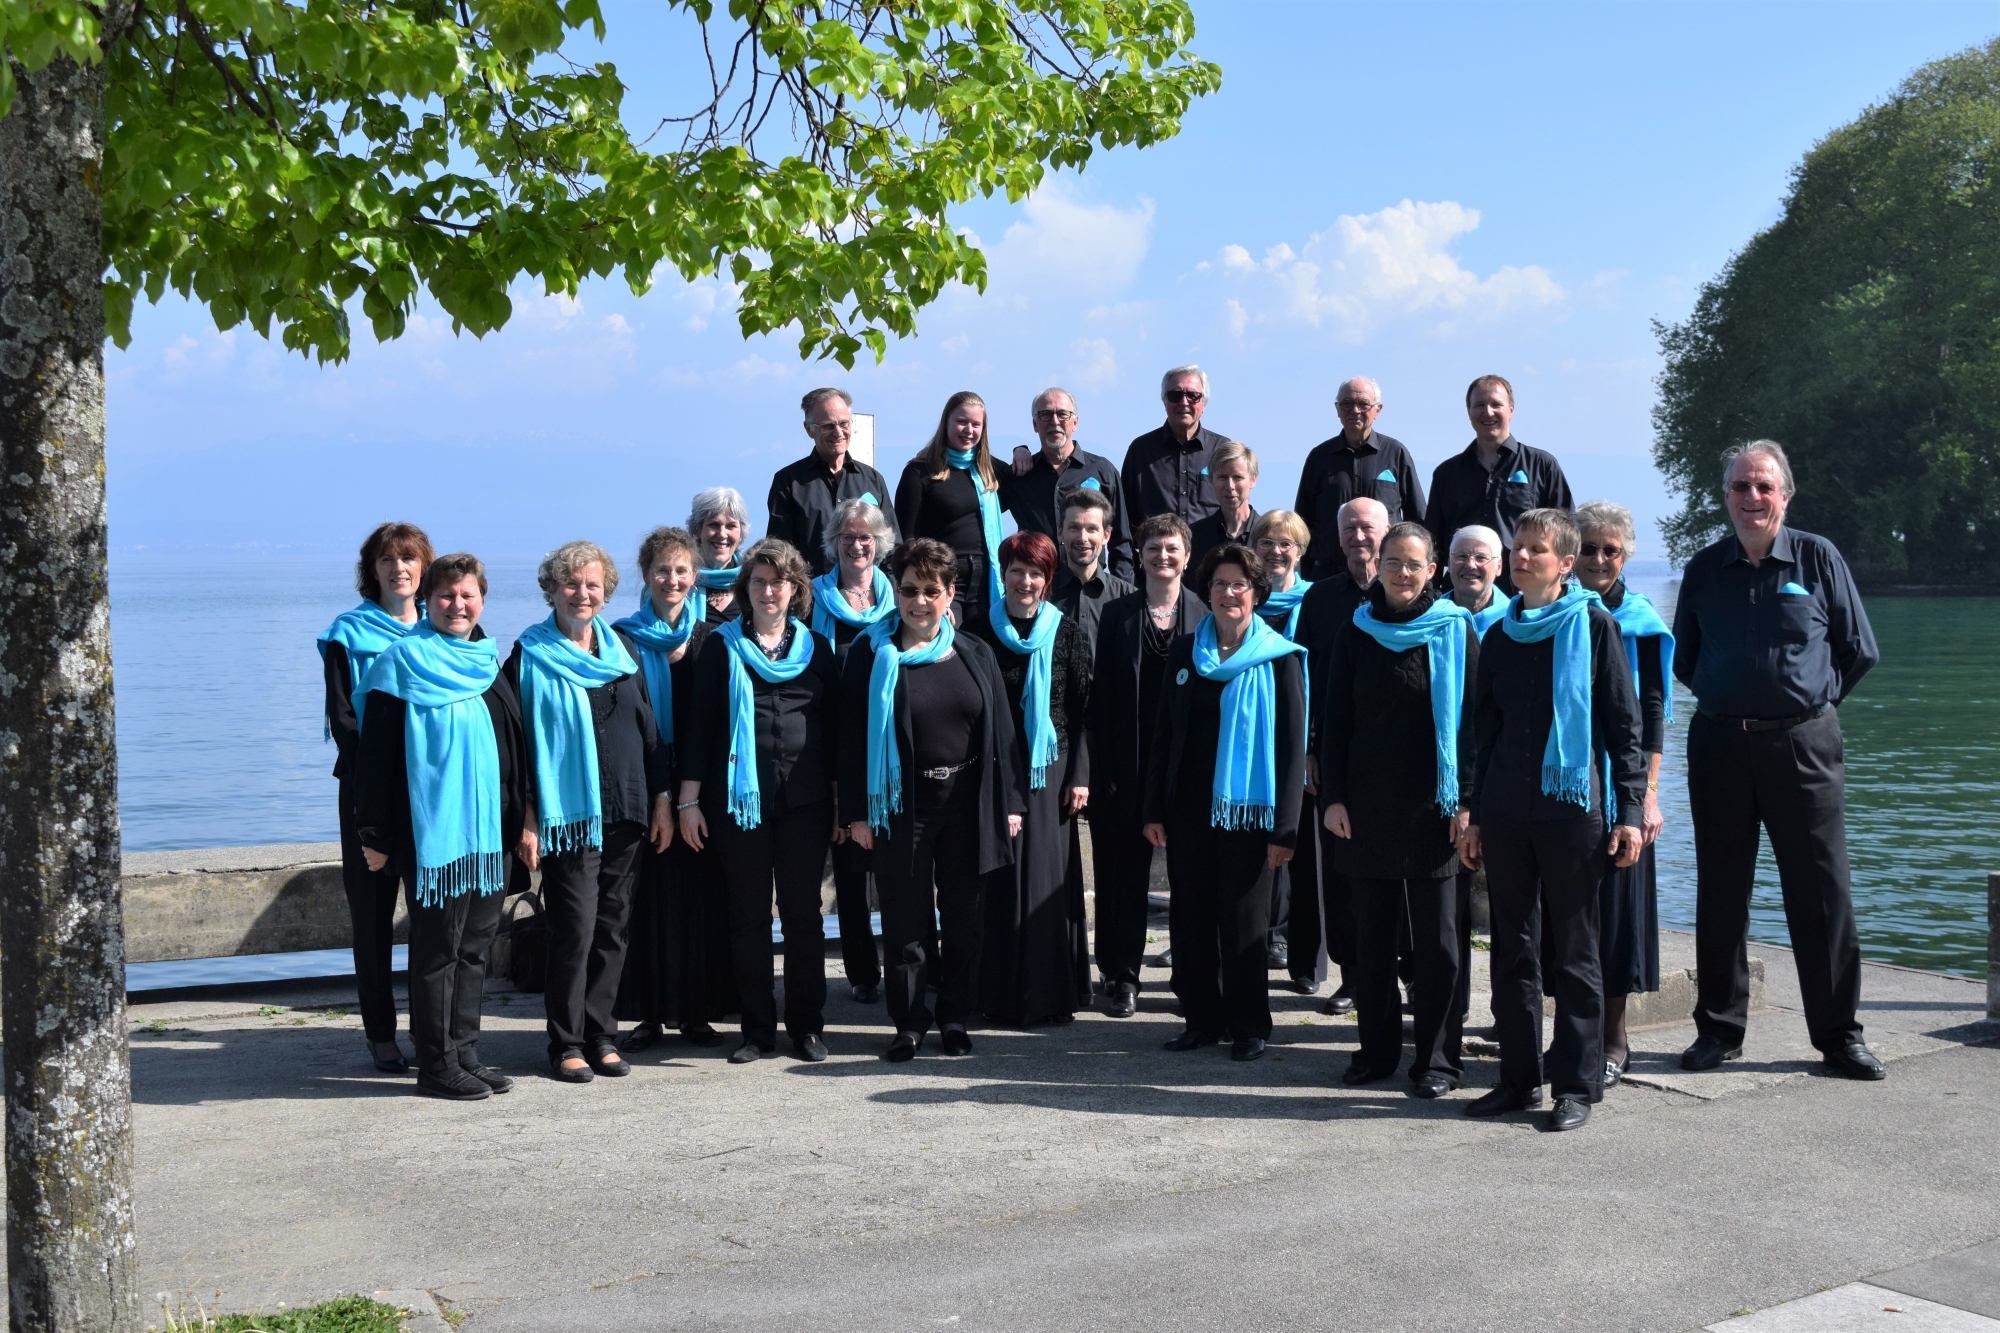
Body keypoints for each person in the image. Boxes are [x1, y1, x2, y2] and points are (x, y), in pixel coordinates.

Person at [1671, 440, 1883, 1080]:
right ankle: (1719, 1032)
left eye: (1764, 487)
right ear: (1727, 497)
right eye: (1741, 487)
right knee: (1721, 892)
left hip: (1804, 747)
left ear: (1784, 495)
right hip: (1720, 745)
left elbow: (1858, 649)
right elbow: (1685, 659)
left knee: (1822, 894)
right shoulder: (1705, 567)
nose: (1752, 498)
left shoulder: (1818, 558)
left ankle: (1839, 1037)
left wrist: (1810, 705)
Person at [1461, 509, 1645, 1132]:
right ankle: (1517, 1080)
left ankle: (1576, 1084)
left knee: (1575, 949)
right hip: (1509, 810)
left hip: (1574, 813)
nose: (1522, 558)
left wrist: (1629, 812)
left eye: (1537, 549)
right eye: (1518, 547)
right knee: (1511, 947)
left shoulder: (1594, 626)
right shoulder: (1500, 633)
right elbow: (1485, 733)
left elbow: (1625, 729)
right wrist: (1478, 815)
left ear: (1566, 564)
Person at [841, 539, 1025, 1059]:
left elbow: (1004, 734)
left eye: (931, 591)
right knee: (905, 922)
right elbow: (851, 738)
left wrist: (1010, 803)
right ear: (895, 593)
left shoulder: (975, 652)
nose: (919, 602)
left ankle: (953, 1018)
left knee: (965, 921)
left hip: (968, 806)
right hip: (901, 810)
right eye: (909, 591)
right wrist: (856, 813)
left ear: (949, 595)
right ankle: (909, 1021)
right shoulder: (870, 655)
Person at [355, 552, 527, 1101]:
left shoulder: (487, 661)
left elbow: (514, 748)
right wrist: (375, 839)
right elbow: (374, 761)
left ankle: (465, 1052)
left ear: (482, 600)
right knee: (437, 952)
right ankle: (435, 1064)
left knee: (476, 946)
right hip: (435, 840)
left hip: (489, 836)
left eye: (468, 595)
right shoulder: (400, 665)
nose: (458, 605)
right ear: (426, 601)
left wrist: (524, 822)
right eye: (446, 596)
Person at [1320, 522, 1477, 1097]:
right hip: (1365, 810)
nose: (1403, 573)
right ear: (1377, 565)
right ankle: (1377, 1051)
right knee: (1373, 943)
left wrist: (1465, 802)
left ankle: (1437, 1060)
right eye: (1394, 562)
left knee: (1437, 945)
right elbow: (1334, 724)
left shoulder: (1456, 630)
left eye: (1414, 564)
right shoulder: (1354, 632)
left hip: (1436, 810)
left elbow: (1475, 725)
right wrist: (1333, 797)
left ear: (1432, 570)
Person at [506, 541, 670, 1084]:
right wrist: (527, 815)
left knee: (613, 927)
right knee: (573, 929)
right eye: (571, 584)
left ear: (607, 591)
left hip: (627, 807)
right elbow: (516, 743)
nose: (582, 593)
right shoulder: (528, 655)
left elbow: (649, 730)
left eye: (593, 584)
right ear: (551, 590)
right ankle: (566, 1042)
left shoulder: (622, 649)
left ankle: (602, 1034)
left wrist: (663, 798)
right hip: (568, 815)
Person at [1143, 543, 1307, 1062]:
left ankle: (1249, 1025)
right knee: (1190, 920)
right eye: (1219, 583)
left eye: (1239, 584)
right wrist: (1153, 808)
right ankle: (1200, 1020)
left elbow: (1291, 750)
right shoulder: (1185, 651)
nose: (1229, 592)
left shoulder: (1280, 659)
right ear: (1206, 592)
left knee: (1243, 924)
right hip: (1189, 811)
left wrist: (1285, 830)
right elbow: (1164, 732)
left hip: (1249, 818)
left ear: (1256, 593)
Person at [679, 539, 841, 1065]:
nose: (769, 590)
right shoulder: (721, 648)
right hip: (737, 806)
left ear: (795, 590)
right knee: (748, 916)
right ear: (744, 589)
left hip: (807, 803)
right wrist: (688, 803)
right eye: (759, 581)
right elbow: (700, 731)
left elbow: (836, 734)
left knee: (803, 917)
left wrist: (842, 804)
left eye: (779, 582)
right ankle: (756, 1030)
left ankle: (807, 1027)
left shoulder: (818, 648)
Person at [613, 526, 733, 1053]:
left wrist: (690, 792)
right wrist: (660, 791)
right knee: (646, 901)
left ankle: (696, 1011)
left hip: (699, 789)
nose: (673, 579)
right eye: (663, 570)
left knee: (699, 900)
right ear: (646, 575)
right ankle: (648, 1015)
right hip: (645, 787)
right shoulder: (622, 639)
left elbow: (717, 721)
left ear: (695, 577)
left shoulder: (711, 640)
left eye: (682, 570)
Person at [318, 521, 432, 1073]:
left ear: (424, 567)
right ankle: (381, 1033)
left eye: (408, 558)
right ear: (372, 570)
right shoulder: (348, 633)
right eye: (387, 559)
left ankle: (431, 1029)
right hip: (367, 790)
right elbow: (344, 720)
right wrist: (379, 785)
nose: (399, 568)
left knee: (432, 913)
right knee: (373, 916)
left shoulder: (443, 631)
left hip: (431, 789)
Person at [1087, 515, 1204, 1017]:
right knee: (1123, 877)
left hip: (1187, 767)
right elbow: (1103, 697)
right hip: (1129, 764)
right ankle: (1122, 976)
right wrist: (1105, 767)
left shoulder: (1204, 612)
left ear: (1187, 554)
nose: (1162, 555)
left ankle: (1192, 980)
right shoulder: (1118, 614)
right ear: (1139, 554)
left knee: (1191, 878)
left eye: (1171, 547)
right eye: (1153, 546)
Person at [975, 531, 1092, 1027]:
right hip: (995, 769)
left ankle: (1045, 995)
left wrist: (1080, 776)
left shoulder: (1068, 634)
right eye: (1017, 571)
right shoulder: (978, 633)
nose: (1026, 581)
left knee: (1044, 879)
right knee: (996, 879)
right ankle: (997, 994)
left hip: (1053, 770)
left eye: (1036, 573)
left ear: (1048, 579)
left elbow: (1086, 713)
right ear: (1004, 575)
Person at [1571, 501, 1670, 1087]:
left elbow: (1653, 714)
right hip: (1566, 780)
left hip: (1623, 783)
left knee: (1617, 915)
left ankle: (1615, 1035)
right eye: (1589, 549)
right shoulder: (1550, 613)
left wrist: (1648, 795)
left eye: (1611, 551)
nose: (1599, 560)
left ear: (1625, 556)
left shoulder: (1641, 621)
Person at [1292, 496, 1391, 1009]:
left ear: (1387, 530)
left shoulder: (1408, 593)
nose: (1358, 536)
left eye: (1367, 527)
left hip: (1396, 757)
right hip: (1335, 753)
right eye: (1349, 527)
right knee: (1341, 868)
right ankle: (1353, 975)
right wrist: (1309, 749)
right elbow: (1304, 679)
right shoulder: (1320, 600)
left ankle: (1409, 972)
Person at [811, 498, 900, 1003]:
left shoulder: (899, 600)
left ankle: (908, 962)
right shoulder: (814, 601)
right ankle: (863, 970)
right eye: (848, 536)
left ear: (880, 543)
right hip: (834, 747)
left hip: (889, 747)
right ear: (835, 543)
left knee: (894, 865)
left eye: (866, 536)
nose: (858, 543)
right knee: (847, 866)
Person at [1443, 522, 1508, 1029]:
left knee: (1512, 909)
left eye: (1482, 557)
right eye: (1462, 556)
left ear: (1499, 566)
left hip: (1506, 778)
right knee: (1447, 911)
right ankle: (1448, 1008)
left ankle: (1508, 1014)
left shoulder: (1522, 619)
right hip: (1444, 784)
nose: (1471, 565)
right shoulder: (1432, 619)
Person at [1424, 375, 1572, 585]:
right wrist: (1431, 594)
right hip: (1460, 591)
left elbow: (1566, 533)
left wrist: (1553, 589)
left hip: (1523, 590)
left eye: (1496, 404)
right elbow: (1432, 543)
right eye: (1479, 405)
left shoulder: (1542, 466)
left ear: (1511, 409)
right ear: (1469, 412)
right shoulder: (1446, 474)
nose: (1488, 412)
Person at [1250, 508, 1315, 980]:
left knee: (1292, 837)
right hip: (1251, 733)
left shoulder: (1314, 602)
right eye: (1268, 542)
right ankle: (1256, 929)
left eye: (1285, 543)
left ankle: (1284, 935)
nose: (1276, 551)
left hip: (1299, 735)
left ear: (1300, 551)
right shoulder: (1245, 601)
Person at [1295, 378, 1427, 577]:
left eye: (1363, 404)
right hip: (1328, 575)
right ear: (1337, 409)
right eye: (1347, 403)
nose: (1355, 410)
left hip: (1386, 575)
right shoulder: (1319, 457)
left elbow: (1417, 519)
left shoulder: (1395, 453)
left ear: (1377, 410)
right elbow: (1302, 523)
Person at [1000, 387, 1133, 581]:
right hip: (1038, 589)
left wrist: (1124, 593)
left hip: (1090, 588)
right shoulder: (1019, 476)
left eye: (1063, 414)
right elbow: (981, 515)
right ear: (1035, 424)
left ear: (1075, 422)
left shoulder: (1103, 471)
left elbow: (1121, 541)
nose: (1055, 421)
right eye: (1045, 415)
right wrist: (1018, 449)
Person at [896, 390, 1004, 627]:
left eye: (976, 424)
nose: (968, 430)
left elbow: (1027, 479)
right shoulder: (919, 472)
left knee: (984, 653)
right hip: (941, 578)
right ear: (946, 422)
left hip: (987, 583)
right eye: (961, 422)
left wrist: (1021, 450)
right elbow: (907, 538)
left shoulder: (990, 470)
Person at [766, 387, 900, 578]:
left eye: (844, 423)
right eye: (828, 425)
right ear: (809, 429)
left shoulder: (873, 480)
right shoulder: (788, 482)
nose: (838, 432)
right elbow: (780, 552)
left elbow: (892, 547)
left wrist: (888, 593)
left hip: (869, 601)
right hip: (812, 599)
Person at [1121, 365, 1229, 526]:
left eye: (1193, 395)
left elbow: (1236, 509)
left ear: (1203, 404)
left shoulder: (1223, 450)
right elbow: (1124, 514)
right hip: (1158, 549)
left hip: (1212, 550)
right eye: (1175, 395)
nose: (1184, 402)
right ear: (1165, 402)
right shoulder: (1141, 450)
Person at [1050, 486, 1135, 655]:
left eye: (1092, 529)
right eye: (1074, 528)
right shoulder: (1043, 594)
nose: (1083, 538)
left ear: (1106, 536)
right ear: (1060, 533)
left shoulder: (1128, 599)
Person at [1187, 439, 1259, 571]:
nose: (1230, 486)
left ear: (1253, 479)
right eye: (1222, 477)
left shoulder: (1268, 535)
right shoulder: (1194, 536)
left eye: (1238, 477)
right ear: (1211, 479)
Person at [689, 487, 751, 623]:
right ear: (697, 530)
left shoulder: (753, 581)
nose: (722, 534)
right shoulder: (680, 581)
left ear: (741, 533)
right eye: (714, 524)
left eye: (731, 526)